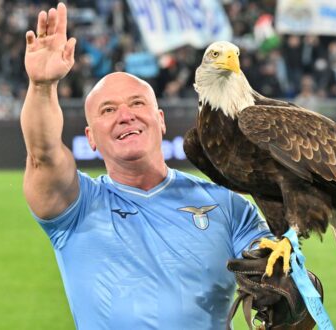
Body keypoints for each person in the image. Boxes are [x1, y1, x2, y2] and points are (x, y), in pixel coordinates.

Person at [20, 3, 271, 329]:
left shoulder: (228, 206)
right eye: (108, 110)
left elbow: (274, 271)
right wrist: (41, 87)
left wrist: (285, 284)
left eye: (137, 103)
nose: (126, 115)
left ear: (160, 120)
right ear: (90, 137)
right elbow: (43, 155)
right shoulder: (76, 208)